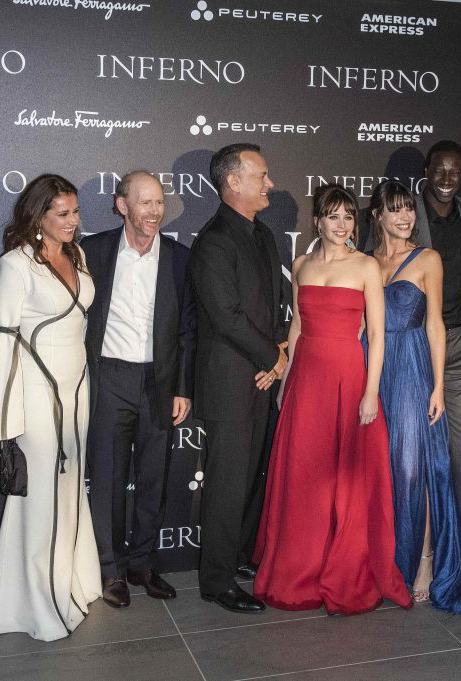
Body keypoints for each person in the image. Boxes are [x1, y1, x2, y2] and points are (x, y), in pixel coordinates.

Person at [252, 184, 410, 615]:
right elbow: (297, 328)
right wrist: (286, 382)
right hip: (306, 380)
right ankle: (300, 567)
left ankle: (342, 568)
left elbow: (376, 334)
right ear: (318, 221)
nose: (342, 225)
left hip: (348, 377)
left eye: (348, 217)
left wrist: (371, 392)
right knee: (303, 476)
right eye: (333, 216)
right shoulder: (300, 264)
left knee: (345, 479)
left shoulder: (365, 266)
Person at [368, 180, 461, 614]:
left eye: (408, 209)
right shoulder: (365, 261)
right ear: (377, 215)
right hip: (373, 368)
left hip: (412, 369)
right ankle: (384, 559)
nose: (405, 217)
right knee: (381, 469)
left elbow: (436, 324)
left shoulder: (427, 258)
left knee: (413, 468)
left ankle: (423, 561)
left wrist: (438, 384)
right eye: (395, 209)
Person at [0, 174, 101, 640]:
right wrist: (4, 421)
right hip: (35, 395)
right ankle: (38, 603)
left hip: (78, 390)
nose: (73, 221)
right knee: (40, 501)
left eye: (75, 211)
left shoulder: (78, 255)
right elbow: (5, 343)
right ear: (38, 215)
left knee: (70, 491)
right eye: (62, 213)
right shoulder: (15, 264)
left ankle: (72, 579)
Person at [80, 171, 196, 608]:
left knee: (154, 477)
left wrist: (182, 387)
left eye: (159, 202)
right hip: (109, 377)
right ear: (122, 205)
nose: (155, 211)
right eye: (145, 202)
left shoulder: (179, 258)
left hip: (159, 381)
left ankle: (143, 564)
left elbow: (187, 329)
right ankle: (110, 569)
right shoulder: (93, 252)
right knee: (107, 479)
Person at [190, 143, 287, 613]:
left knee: (250, 478)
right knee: (227, 484)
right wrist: (274, 358)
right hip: (230, 381)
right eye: (261, 176)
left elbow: (273, 304)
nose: (270, 183)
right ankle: (216, 580)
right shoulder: (213, 241)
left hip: (262, 376)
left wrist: (279, 351)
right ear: (233, 182)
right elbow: (226, 317)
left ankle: (239, 558)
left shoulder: (262, 234)